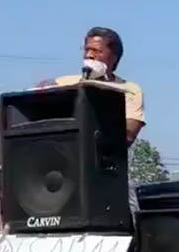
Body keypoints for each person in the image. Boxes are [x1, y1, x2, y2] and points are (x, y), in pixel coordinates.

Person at [40, 27, 145, 213]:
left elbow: (128, 136)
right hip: (65, 174)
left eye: (97, 51)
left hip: (107, 173)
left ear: (113, 57)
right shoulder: (64, 83)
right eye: (87, 49)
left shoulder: (129, 90)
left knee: (128, 214)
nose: (89, 55)